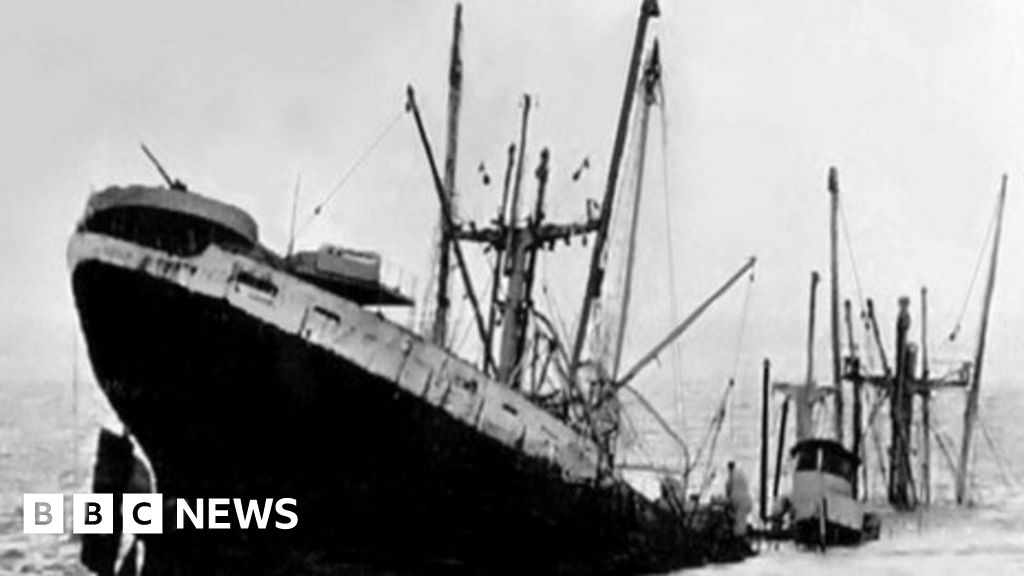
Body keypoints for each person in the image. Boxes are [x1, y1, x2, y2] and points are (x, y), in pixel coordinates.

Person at [725, 461, 753, 537]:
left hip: (738, 501)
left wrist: (729, 500)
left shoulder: (731, 477)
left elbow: (728, 491)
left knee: (738, 519)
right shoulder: (741, 475)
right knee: (741, 519)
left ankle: (738, 535)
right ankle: (741, 533)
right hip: (747, 500)